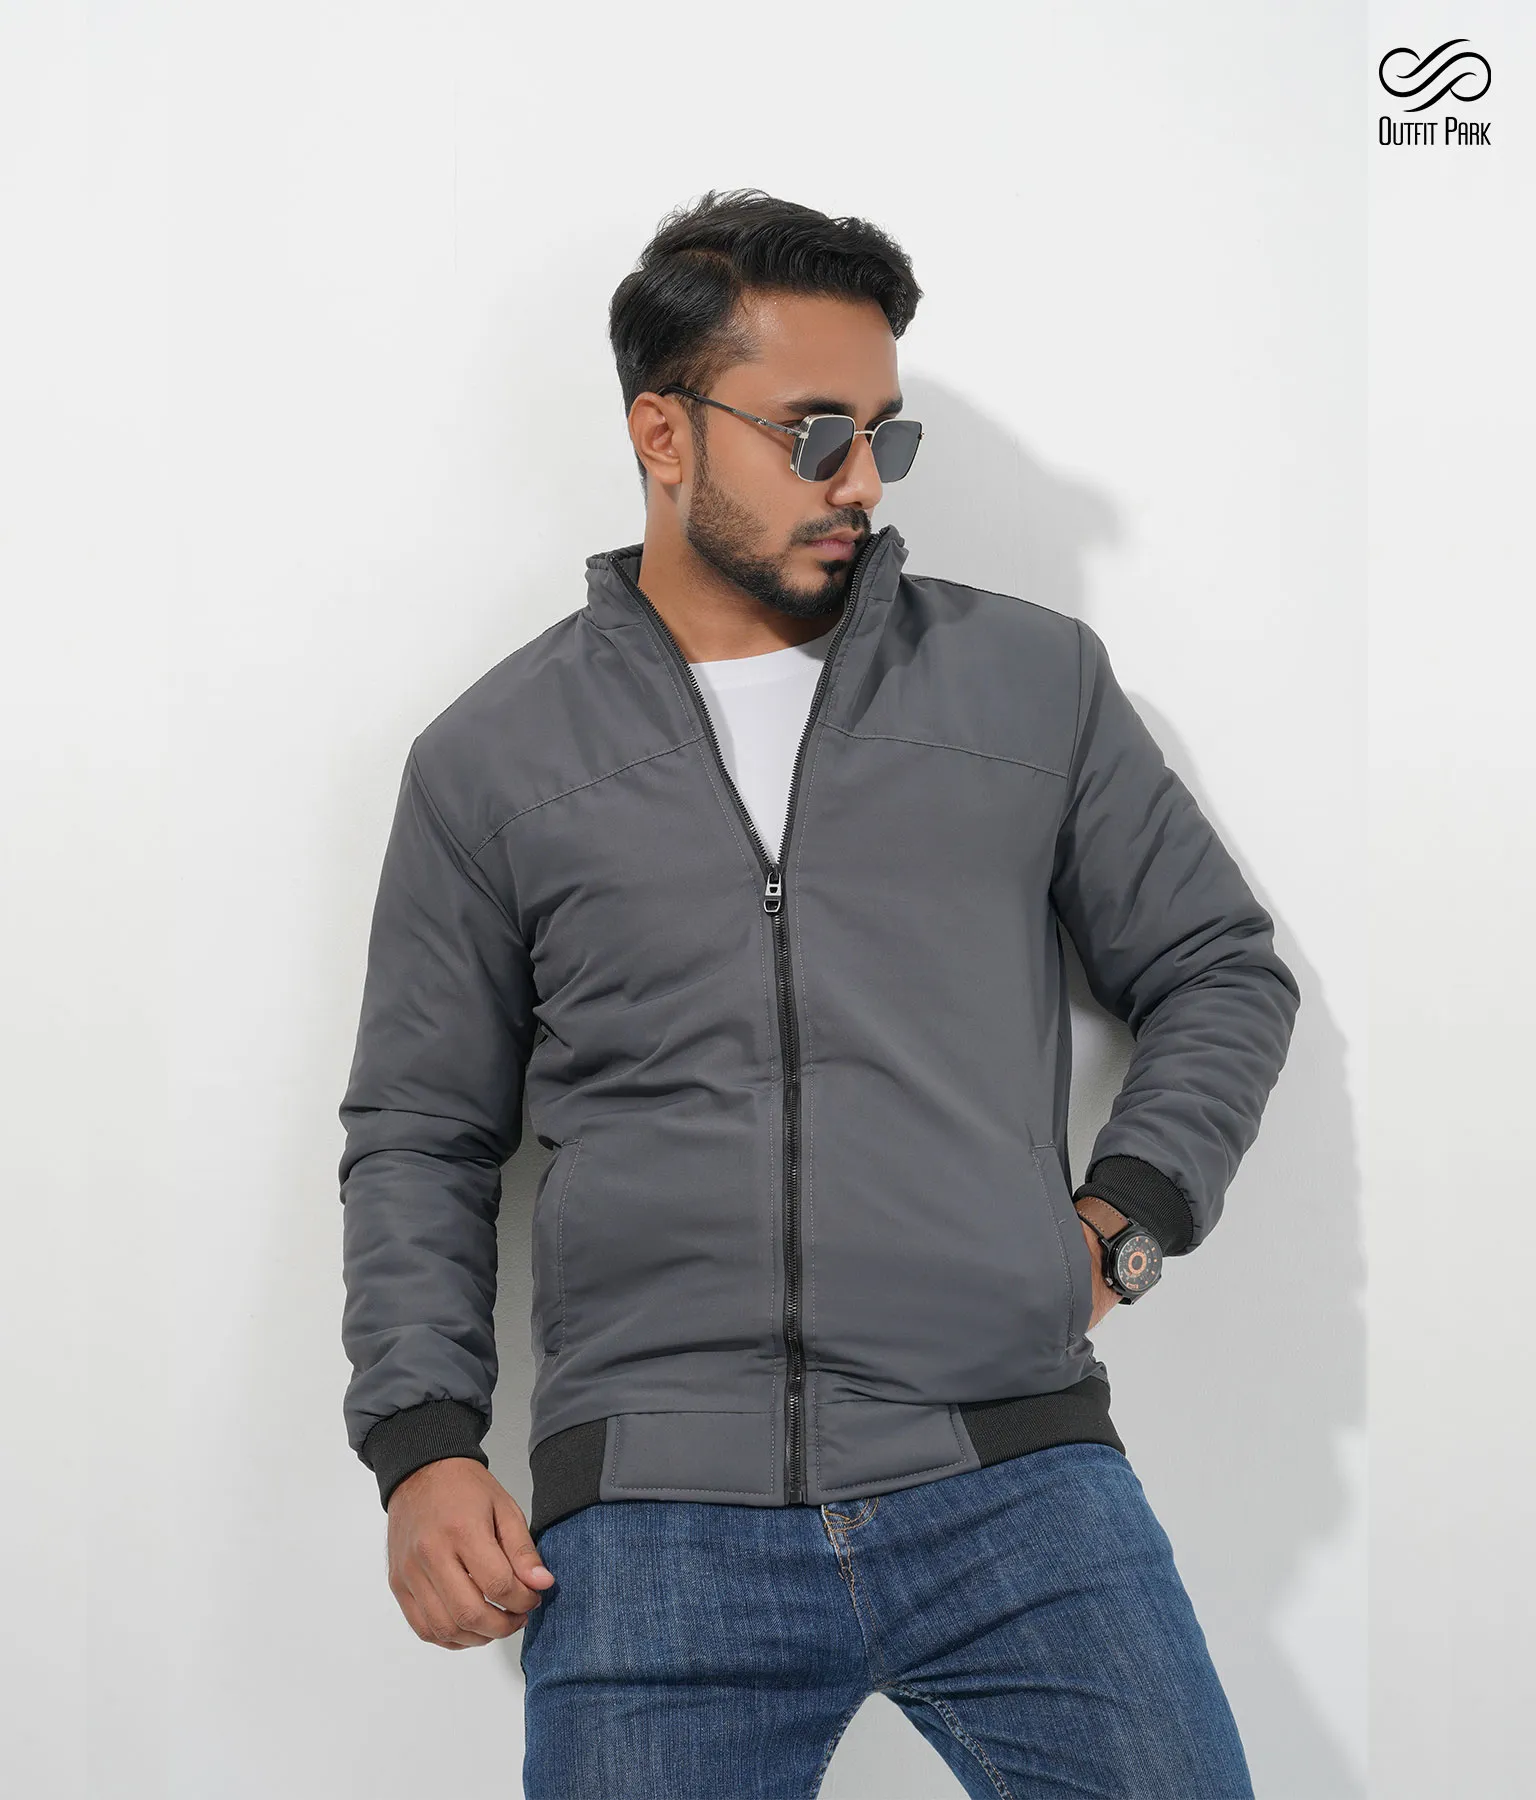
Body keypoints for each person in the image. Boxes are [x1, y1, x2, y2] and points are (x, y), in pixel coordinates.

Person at [336, 187, 1300, 1799]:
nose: (861, 481)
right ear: (662, 433)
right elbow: (421, 1132)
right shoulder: (491, 761)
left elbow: (1217, 968)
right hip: (654, 1524)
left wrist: (1117, 1230)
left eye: (884, 436)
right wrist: (422, 1447)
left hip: (1011, 1470)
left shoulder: (1030, 685)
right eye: (815, 435)